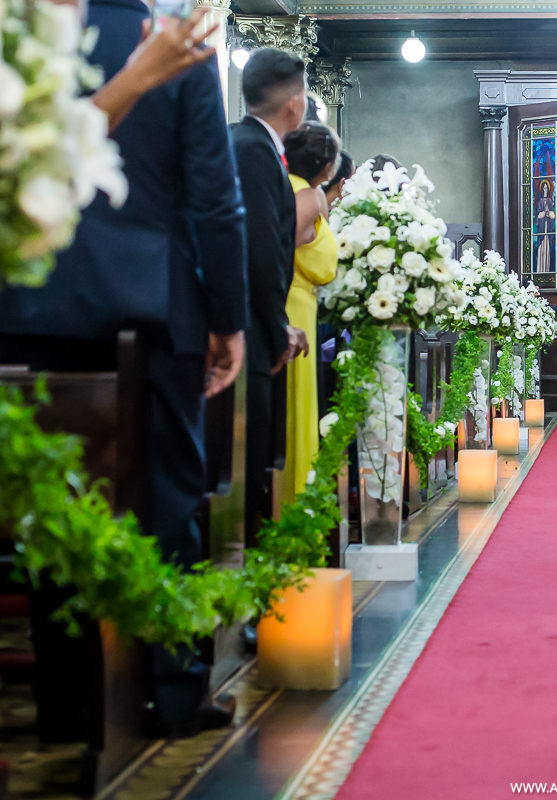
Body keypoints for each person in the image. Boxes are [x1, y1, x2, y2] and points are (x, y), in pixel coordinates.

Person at [0, 0, 247, 739]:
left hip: (30, 303)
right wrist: (229, 318)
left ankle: (67, 701)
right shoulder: (171, 42)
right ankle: (173, 692)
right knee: (167, 496)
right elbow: (214, 193)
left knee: (53, 500)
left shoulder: (22, 38)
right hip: (152, 302)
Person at [231, 48, 309, 544]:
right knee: (249, 452)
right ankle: (246, 563)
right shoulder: (253, 152)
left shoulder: (245, 143)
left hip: (254, 323)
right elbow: (260, 248)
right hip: (251, 328)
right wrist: (276, 324)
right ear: (295, 106)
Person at [281, 122, 340, 502]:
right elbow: (292, 245)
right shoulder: (308, 196)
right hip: (295, 303)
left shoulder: (281, 185)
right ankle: (294, 499)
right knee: (297, 409)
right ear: (327, 166)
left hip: (287, 298)